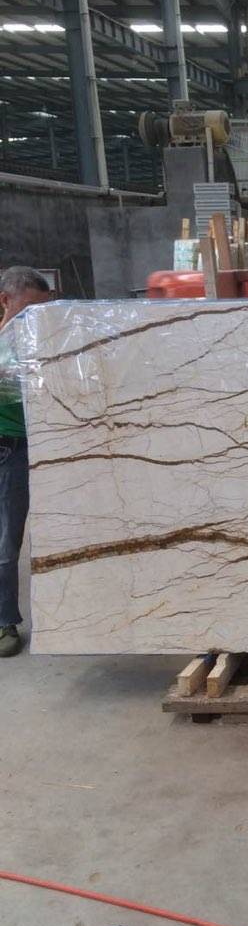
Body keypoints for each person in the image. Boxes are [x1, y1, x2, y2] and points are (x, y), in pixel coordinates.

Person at [0, 267, 50, 657]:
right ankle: (4, 623)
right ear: (5, 300)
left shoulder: (37, 340)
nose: (37, 316)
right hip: (8, 446)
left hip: (27, 446)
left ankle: (6, 621)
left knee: (9, 540)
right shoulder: (7, 342)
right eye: (30, 308)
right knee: (4, 540)